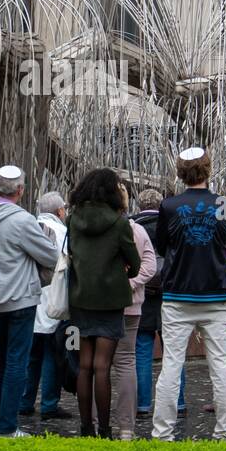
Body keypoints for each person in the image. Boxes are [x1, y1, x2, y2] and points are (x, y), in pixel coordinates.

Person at [151, 147, 226, 441]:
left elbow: (163, 246)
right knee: (221, 365)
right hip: (216, 293)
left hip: (177, 295)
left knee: (171, 366)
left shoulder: (169, 205)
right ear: (208, 169)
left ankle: (162, 433)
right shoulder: (224, 203)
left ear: (180, 171)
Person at [0, 165, 60, 437]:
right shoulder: (22, 221)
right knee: (16, 362)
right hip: (20, 300)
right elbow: (52, 257)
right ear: (20, 190)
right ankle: (8, 427)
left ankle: (1, 421)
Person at [66, 168, 141, 437]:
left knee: (84, 365)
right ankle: (106, 429)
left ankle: (85, 426)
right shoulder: (119, 223)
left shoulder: (72, 219)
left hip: (80, 299)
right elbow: (135, 264)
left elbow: (72, 254)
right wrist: (124, 272)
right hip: (110, 301)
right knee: (102, 366)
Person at [132, 189, 187, 419]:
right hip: (169, 293)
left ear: (139, 204)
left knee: (142, 351)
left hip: (142, 293)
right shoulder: (174, 223)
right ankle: (179, 403)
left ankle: (143, 405)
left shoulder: (131, 227)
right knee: (174, 352)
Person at [111, 182, 157, 439]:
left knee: (99, 364)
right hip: (131, 305)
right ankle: (127, 428)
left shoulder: (93, 228)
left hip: (100, 306)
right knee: (127, 362)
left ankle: (96, 423)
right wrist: (131, 284)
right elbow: (149, 267)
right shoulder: (136, 230)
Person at [22, 192, 73, 420]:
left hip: (28, 299)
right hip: (55, 300)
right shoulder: (63, 232)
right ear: (60, 211)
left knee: (30, 355)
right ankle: (49, 404)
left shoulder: (27, 227)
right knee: (53, 354)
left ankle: (24, 400)